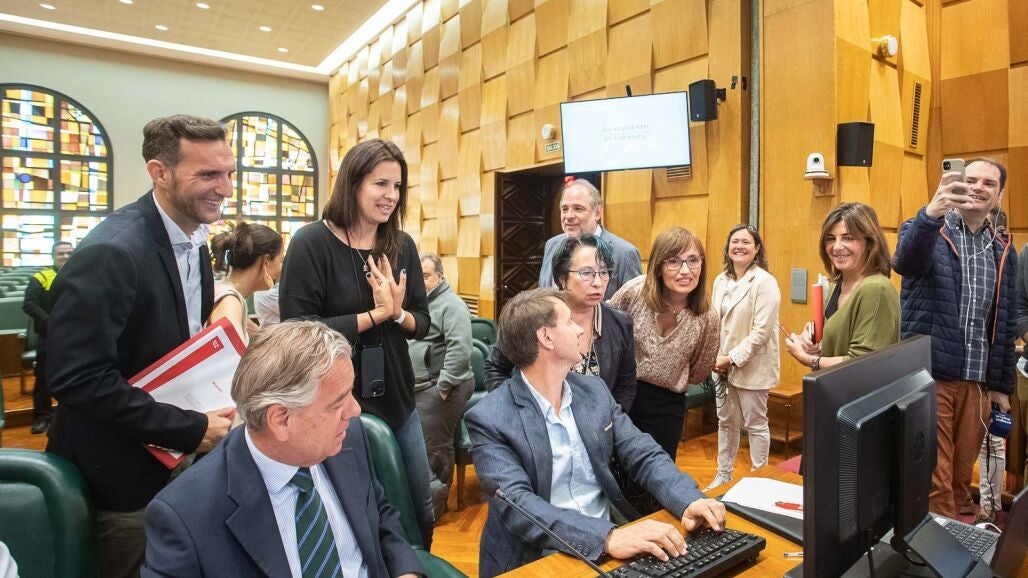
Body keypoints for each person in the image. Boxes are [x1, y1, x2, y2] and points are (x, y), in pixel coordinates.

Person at [45, 115, 236, 577]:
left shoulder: (194, 237)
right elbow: (77, 379)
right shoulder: (112, 251)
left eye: (229, 173)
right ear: (159, 172)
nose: (226, 188)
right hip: (119, 477)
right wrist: (187, 429)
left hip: (171, 457)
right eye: (208, 175)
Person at [467, 288, 725, 577]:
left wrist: (688, 499)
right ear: (546, 337)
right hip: (538, 556)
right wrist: (606, 537)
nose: (580, 329)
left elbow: (642, 452)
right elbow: (518, 504)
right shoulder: (490, 418)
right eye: (569, 322)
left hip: (610, 538)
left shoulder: (593, 390)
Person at [142, 320, 422, 578]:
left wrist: (405, 571)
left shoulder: (350, 438)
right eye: (337, 403)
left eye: (350, 392)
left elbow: (379, 515)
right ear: (281, 420)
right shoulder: (184, 517)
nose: (355, 410)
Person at [279, 138, 435, 548]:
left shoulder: (401, 245)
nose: (391, 196)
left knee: (419, 508)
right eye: (380, 184)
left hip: (398, 398)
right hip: (335, 404)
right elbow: (297, 330)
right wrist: (375, 315)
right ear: (352, 184)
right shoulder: (311, 243)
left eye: (397, 186)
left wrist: (397, 314)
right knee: (354, 512)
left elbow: (421, 322)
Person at [892, 158, 1017, 519]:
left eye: (989, 183)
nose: (978, 187)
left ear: (999, 195)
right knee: (937, 478)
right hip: (932, 375)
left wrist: (1001, 386)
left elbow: (1005, 320)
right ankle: (936, 549)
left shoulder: (1002, 248)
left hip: (977, 384)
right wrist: (932, 212)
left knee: (962, 478)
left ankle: (950, 536)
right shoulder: (925, 228)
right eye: (970, 179)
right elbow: (904, 263)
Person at [486, 233, 637, 412]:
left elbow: (626, 386)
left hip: (600, 424)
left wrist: (610, 420)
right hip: (538, 421)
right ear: (562, 278)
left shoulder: (620, 322)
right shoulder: (533, 315)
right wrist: (518, 412)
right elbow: (495, 367)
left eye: (604, 273)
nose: (598, 282)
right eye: (586, 273)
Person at [609, 227, 720, 460]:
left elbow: (699, 370)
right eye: (674, 261)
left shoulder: (707, 316)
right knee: (617, 470)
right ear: (658, 266)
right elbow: (607, 330)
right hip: (622, 396)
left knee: (658, 472)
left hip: (666, 406)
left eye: (693, 260)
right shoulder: (635, 292)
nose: (685, 271)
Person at [705, 225, 780, 490]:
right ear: (728, 248)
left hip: (752, 365)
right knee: (726, 423)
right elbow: (713, 321)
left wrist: (731, 358)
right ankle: (723, 475)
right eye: (734, 241)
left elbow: (761, 332)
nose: (739, 246)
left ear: (757, 248)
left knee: (755, 424)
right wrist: (715, 357)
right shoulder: (720, 280)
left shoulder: (765, 282)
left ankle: (760, 480)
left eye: (746, 242)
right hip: (721, 366)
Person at [785, 202, 900, 371]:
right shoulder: (838, 284)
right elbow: (841, 337)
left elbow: (862, 363)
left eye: (848, 238)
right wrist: (814, 341)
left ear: (869, 243)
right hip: (832, 386)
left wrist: (809, 359)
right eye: (831, 238)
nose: (837, 247)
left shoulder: (876, 289)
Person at [409, 252, 475, 517]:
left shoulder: (451, 305)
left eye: (426, 275)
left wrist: (444, 386)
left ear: (439, 276)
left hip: (444, 386)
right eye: (417, 275)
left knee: (434, 446)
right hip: (421, 386)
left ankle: (437, 506)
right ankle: (426, 499)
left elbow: (461, 348)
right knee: (419, 443)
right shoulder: (418, 303)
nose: (421, 280)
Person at [538, 178, 642, 299]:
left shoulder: (625, 254)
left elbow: (634, 304)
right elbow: (542, 294)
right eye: (564, 209)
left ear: (597, 213)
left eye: (578, 208)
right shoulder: (551, 244)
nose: (569, 216)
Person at [21, 240, 73, 434]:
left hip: (75, 336)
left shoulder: (81, 275)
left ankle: (68, 417)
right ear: (53, 256)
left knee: (74, 375)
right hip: (49, 335)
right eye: (61, 253)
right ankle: (42, 417)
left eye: (69, 253)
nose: (65, 257)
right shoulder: (41, 278)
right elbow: (29, 304)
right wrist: (50, 321)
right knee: (43, 377)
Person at [209, 222, 284, 343]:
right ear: (265, 261)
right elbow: (231, 353)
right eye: (280, 260)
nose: (280, 268)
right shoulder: (230, 302)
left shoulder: (228, 294)